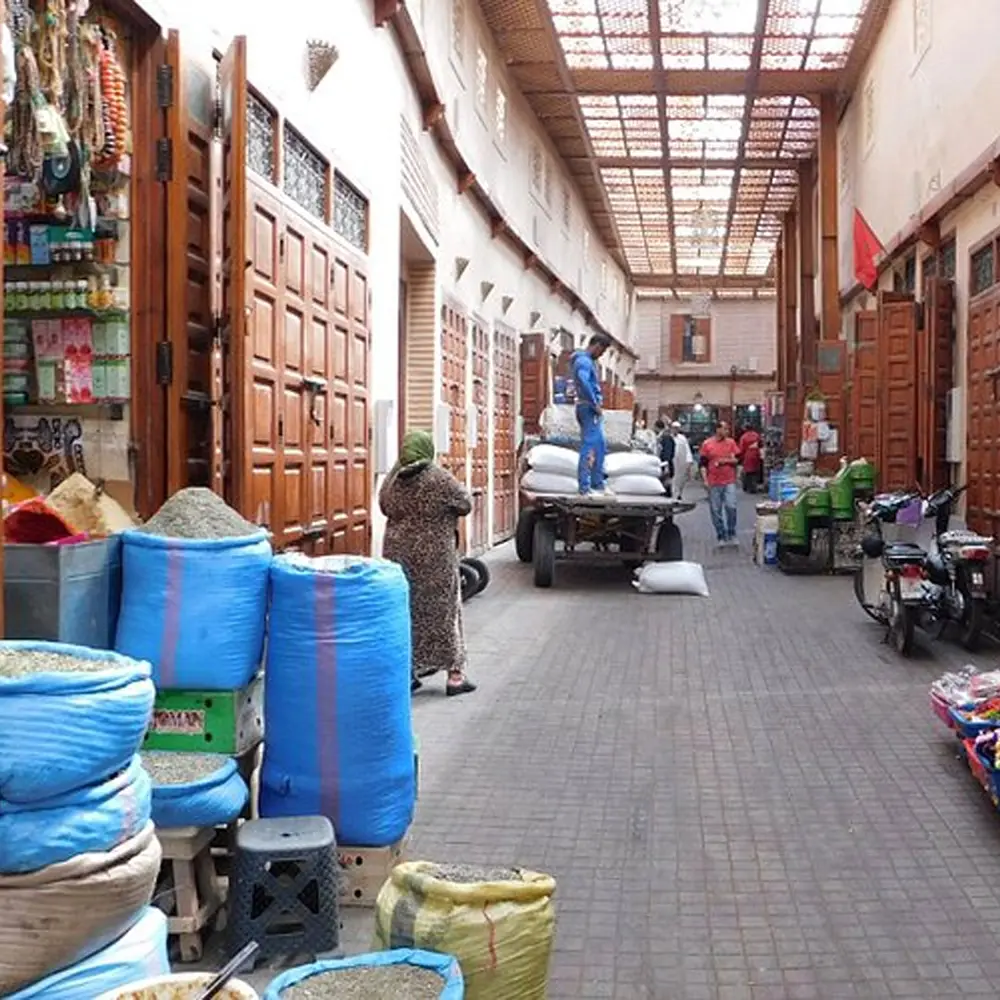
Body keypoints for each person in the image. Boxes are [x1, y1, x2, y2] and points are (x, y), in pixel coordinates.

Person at [379, 430, 477, 697]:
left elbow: (383, 505)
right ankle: (455, 676)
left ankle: (408, 673)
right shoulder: (438, 477)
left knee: (405, 612)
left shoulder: (392, 479)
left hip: (398, 556)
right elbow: (465, 503)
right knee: (444, 611)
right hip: (434, 559)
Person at [571, 333, 612, 495]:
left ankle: (598, 483)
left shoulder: (585, 361)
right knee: (589, 447)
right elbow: (583, 380)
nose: (601, 355)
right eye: (601, 352)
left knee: (600, 444)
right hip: (588, 408)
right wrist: (594, 402)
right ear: (596, 346)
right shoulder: (584, 361)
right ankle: (585, 487)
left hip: (588, 407)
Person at [700, 421, 740, 547]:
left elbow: (735, 460)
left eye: (727, 429)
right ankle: (721, 534)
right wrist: (705, 480)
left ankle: (732, 532)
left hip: (729, 480)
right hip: (714, 481)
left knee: (731, 506)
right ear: (718, 430)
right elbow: (702, 464)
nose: (727, 431)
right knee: (715, 510)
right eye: (725, 429)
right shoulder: (707, 444)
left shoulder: (731, 443)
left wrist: (724, 461)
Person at [670, 421, 693, 500]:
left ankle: (678, 493)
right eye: (674, 428)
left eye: (677, 428)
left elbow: (687, 450)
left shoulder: (682, 438)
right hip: (671, 460)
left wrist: (689, 461)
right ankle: (673, 494)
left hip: (681, 461)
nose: (675, 430)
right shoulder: (668, 437)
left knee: (680, 479)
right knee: (672, 478)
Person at [738, 425, 763, 493]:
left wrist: (740, 457)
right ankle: (754, 487)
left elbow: (741, 448)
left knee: (748, 472)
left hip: (748, 455)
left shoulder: (744, 437)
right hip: (756, 455)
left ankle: (748, 487)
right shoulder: (756, 435)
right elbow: (760, 444)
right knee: (754, 472)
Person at [654, 418, 675, 494]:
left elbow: (667, 452)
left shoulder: (666, 437)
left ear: (656, 427)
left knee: (666, 484)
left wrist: (666, 465)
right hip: (663, 464)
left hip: (665, 464)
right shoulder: (661, 436)